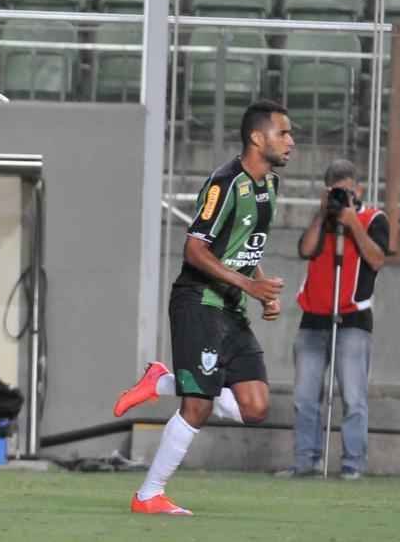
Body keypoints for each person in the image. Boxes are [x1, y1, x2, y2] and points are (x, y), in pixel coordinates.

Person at [113, 99, 294, 516]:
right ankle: (148, 496)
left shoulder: (270, 185)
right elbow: (194, 250)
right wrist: (249, 285)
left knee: (256, 407)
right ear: (256, 137)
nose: (291, 142)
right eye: (282, 133)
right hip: (198, 302)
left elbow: (246, 247)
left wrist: (261, 287)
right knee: (199, 404)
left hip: (231, 306)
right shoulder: (224, 183)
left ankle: (161, 381)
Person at [277, 159, 388, 480]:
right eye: (337, 192)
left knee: (353, 397)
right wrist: (321, 213)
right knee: (304, 396)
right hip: (314, 318)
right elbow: (306, 250)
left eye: (348, 190)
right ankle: (305, 462)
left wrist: (352, 222)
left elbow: (378, 259)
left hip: (353, 318)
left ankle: (353, 464)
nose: (344, 197)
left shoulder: (373, 218)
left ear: (359, 189)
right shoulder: (322, 220)